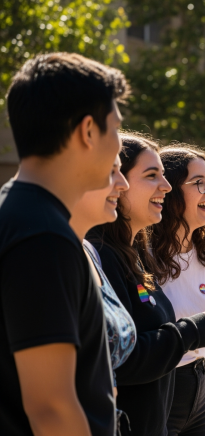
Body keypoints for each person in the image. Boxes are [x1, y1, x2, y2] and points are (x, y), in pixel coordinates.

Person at [0, 53, 125, 436]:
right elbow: (51, 407)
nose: (120, 145)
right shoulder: (43, 237)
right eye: (116, 129)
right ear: (88, 131)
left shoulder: (22, 214)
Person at [88, 133, 205, 436]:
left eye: (164, 174)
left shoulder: (132, 253)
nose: (166, 186)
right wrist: (191, 331)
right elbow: (124, 360)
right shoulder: (100, 256)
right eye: (151, 175)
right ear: (115, 182)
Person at [150, 145, 205, 436]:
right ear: (170, 190)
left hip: (198, 394)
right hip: (158, 390)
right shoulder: (141, 255)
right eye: (200, 182)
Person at [69, 155, 137, 396]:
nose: (123, 184)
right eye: (112, 171)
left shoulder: (88, 250)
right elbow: (51, 401)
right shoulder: (41, 247)